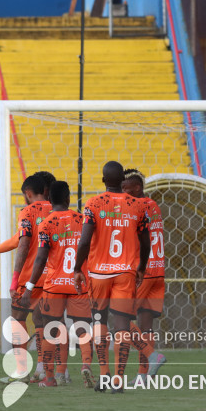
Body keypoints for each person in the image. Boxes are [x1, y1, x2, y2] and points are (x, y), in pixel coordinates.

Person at [73, 161, 162, 393]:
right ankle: (118, 380)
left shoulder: (93, 204)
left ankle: (104, 374)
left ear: (103, 180)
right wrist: (141, 267)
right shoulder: (138, 205)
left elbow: (84, 241)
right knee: (122, 325)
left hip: (98, 274)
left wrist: (77, 268)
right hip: (125, 273)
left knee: (99, 322)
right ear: (122, 180)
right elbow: (146, 242)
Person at [20, 181, 95, 388]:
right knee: (82, 327)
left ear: (50, 199)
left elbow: (41, 258)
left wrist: (29, 286)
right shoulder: (82, 220)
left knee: (51, 330)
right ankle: (85, 365)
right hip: (78, 282)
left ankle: (51, 377)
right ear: (68, 198)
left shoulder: (46, 223)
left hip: (54, 285)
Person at [2, 174, 53, 384]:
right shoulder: (58, 210)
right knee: (43, 321)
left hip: (29, 277)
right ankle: (43, 369)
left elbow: (23, 245)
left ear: (28, 193)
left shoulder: (27, 212)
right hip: (52, 278)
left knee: (17, 319)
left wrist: (15, 280)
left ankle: (21, 371)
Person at [122, 168, 167, 385]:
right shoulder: (153, 205)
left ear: (138, 188)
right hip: (158, 270)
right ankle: (144, 375)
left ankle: (152, 355)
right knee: (145, 324)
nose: (123, 193)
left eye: (126, 189)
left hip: (144, 270)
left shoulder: (136, 207)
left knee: (120, 318)